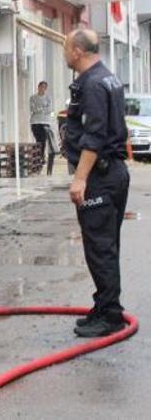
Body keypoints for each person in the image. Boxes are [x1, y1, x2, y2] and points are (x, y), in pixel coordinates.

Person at [63, 28, 130, 338]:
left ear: (77, 51)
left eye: (66, 49)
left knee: (100, 247)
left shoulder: (91, 84)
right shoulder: (108, 78)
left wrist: (80, 179)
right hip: (114, 173)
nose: (65, 54)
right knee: (106, 245)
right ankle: (104, 306)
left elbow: (95, 136)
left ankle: (111, 314)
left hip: (100, 176)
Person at [30, 81, 53, 160]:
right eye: (41, 87)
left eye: (44, 87)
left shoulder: (48, 98)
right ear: (38, 87)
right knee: (38, 140)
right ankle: (37, 157)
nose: (42, 89)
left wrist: (39, 109)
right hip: (35, 122)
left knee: (43, 140)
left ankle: (41, 156)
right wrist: (43, 108)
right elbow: (32, 109)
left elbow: (49, 109)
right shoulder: (33, 98)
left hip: (45, 122)